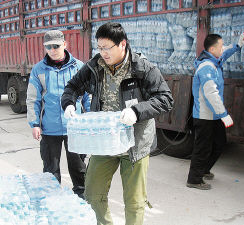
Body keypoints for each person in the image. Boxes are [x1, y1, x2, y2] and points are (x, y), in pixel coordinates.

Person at [61, 22, 173, 225]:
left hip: (134, 145)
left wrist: (136, 111)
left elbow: (165, 99)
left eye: (107, 48)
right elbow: (73, 86)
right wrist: (69, 103)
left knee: (134, 201)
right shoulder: (95, 67)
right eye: (100, 47)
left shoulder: (142, 68)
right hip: (104, 143)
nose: (103, 53)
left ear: (122, 44)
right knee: (92, 194)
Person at [26, 30, 91, 198]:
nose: (53, 49)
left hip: (74, 128)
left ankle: (81, 198)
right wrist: (34, 124)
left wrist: (91, 119)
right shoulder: (38, 70)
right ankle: (53, 200)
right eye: (48, 47)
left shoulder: (78, 66)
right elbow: (33, 99)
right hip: (49, 129)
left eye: (56, 45)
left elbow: (87, 96)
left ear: (64, 45)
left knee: (78, 167)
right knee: (50, 169)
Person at [186, 32, 244, 190]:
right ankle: (194, 180)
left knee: (219, 143)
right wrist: (224, 114)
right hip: (205, 116)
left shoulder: (214, 60)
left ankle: (204, 170)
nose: (223, 49)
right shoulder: (206, 67)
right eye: (221, 46)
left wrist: (237, 46)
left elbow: (225, 52)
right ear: (212, 49)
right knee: (203, 147)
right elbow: (211, 94)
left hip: (213, 115)